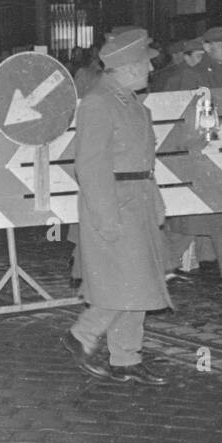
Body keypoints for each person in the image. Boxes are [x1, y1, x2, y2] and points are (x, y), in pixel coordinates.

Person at [61, 29, 171, 385]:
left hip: (136, 200)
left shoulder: (130, 100)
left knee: (141, 281)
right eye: (145, 63)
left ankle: (126, 357)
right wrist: (105, 218)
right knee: (125, 282)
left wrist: (154, 201)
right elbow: (90, 167)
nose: (150, 69)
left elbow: (143, 163)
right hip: (115, 203)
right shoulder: (98, 102)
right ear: (125, 66)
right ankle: (82, 334)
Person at [161, 25, 222, 282]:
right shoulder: (194, 76)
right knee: (192, 215)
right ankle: (163, 265)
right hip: (199, 154)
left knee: (220, 211)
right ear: (207, 47)